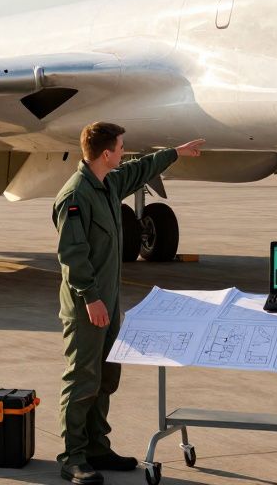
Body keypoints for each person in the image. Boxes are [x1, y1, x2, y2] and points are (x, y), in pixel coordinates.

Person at [54, 122, 205, 485]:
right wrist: (91, 298)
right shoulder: (75, 194)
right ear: (106, 153)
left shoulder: (108, 183)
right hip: (86, 305)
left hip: (108, 301)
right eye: (120, 147)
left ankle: (97, 447)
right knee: (82, 380)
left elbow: (139, 169)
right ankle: (73, 456)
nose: (124, 152)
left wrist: (175, 153)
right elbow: (72, 255)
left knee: (106, 378)